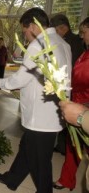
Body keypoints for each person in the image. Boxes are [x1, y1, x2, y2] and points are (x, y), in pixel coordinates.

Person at [0, 8, 72, 193]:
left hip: (39, 116)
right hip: (54, 112)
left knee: (40, 162)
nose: (25, 35)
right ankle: (12, 179)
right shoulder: (62, 42)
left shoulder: (38, 45)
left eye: (24, 31)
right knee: (27, 146)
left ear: (34, 26)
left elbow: (21, 78)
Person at [53, 16, 89, 191]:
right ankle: (67, 179)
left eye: (84, 32)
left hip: (84, 105)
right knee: (72, 145)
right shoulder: (84, 50)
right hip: (77, 101)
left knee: (74, 145)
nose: (82, 36)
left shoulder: (76, 46)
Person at [50, 14, 84, 155]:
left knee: (69, 117)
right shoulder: (69, 40)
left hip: (74, 87)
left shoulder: (73, 42)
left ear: (63, 28)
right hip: (69, 85)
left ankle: (67, 148)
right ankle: (63, 146)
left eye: (55, 30)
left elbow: (72, 67)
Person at [58, 101, 89, 191]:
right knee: (72, 147)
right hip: (74, 107)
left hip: (81, 112)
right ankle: (67, 180)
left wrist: (82, 117)